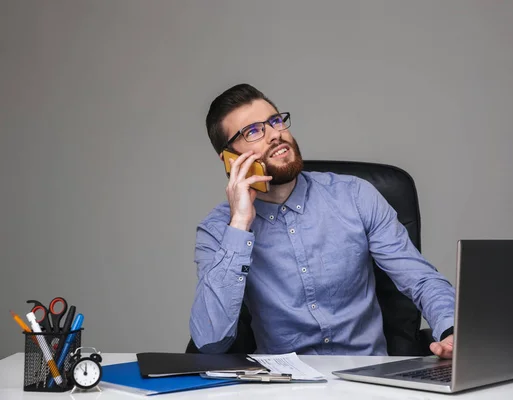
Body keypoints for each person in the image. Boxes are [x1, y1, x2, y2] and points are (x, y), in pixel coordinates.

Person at [190, 83, 455, 358]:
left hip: (366, 379)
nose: (274, 135)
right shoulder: (219, 230)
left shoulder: (355, 196)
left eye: (275, 121)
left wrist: (450, 331)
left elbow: (421, 279)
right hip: (283, 388)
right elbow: (211, 341)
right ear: (230, 159)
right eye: (254, 131)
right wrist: (241, 223)